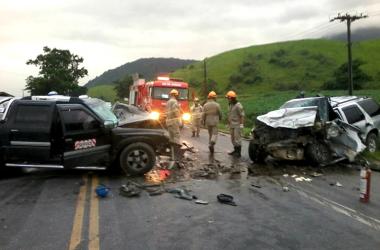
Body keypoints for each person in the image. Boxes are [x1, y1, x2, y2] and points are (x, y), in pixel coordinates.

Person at [226, 90, 245, 157]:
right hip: (231, 124)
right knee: (232, 139)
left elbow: (242, 115)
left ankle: (238, 152)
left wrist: (241, 124)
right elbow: (229, 114)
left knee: (237, 139)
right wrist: (228, 123)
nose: (227, 99)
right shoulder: (230, 105)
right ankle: (235, 150)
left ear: (231, 98)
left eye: (228, 98)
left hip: (237, 124)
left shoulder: (238, 105)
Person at [166, 89, 182, 161]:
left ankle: (172, 155)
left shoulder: (168, 102)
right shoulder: (175, 102)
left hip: (168, 121)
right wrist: (179, 120)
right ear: (176, 95)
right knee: (176, 136)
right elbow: (176, 111)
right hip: (174, 121)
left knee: (171, 138)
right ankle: (176, 156)